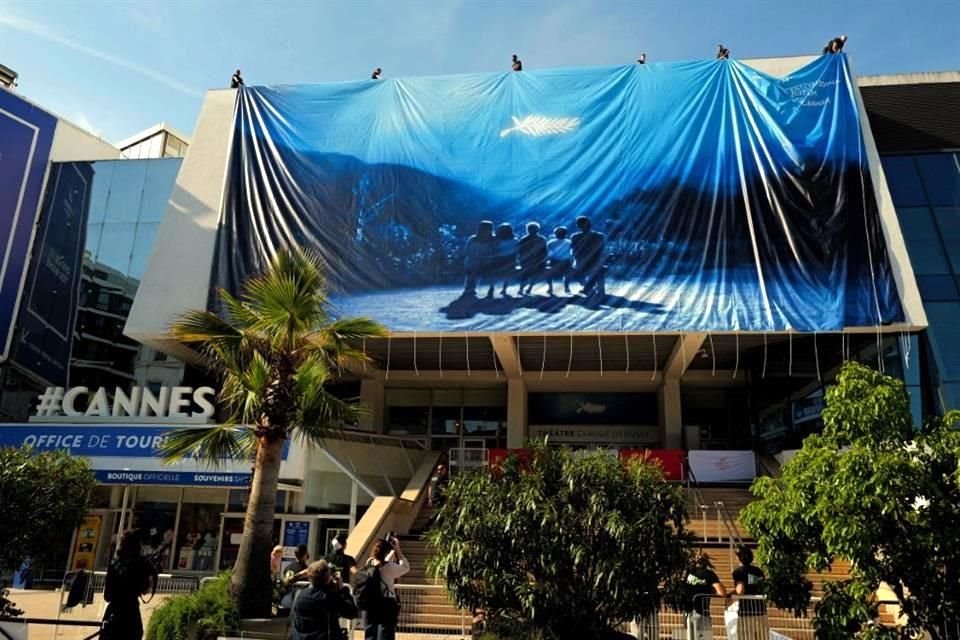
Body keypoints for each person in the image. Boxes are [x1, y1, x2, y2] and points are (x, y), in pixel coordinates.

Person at [101, 530, 154, 640]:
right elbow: (144, 589)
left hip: (113, 612)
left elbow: (107, 596)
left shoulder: (114, 564)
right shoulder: (139, 565)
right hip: (131, 613)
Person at [289, 559, 358, 640]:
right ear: (327, 577)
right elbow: (352, 612)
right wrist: (342, 589)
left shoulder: (301, 595)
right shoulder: (329, 597)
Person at [360, 538, 409, 640]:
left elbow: (381, 561)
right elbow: (405, 567)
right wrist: (397, 549)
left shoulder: (369, 562)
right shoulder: (390, 567)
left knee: (370, 634)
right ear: (386, 552)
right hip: (387, 603)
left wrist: (391, 551)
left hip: (371, 603)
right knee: (385, 633)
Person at [685, 552, 726, 640]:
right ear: (707, 562)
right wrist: (710, 591)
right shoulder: (709, 574)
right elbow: (722, 592)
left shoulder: (689, 574)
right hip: (702, 613)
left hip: (688, 613)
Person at [732, 546, 767, 639]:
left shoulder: (738, 572)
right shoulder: (758, 571)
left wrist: (730, 596)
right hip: (760, 611)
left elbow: (740, 590)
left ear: (739, 557)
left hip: (746, 612)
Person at [570, 216, 607, 297]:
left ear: (578, 226)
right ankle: (594, 288)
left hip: (582, 260)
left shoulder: (575, 236)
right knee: (596, 270)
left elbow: (574, 250)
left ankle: (588, 287)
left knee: (581, 271)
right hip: (596, 259)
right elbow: (602, 249)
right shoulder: (600, 235)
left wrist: (575, 260)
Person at [462, 221, 495, 297]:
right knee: (473, 268)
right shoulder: (473, 239)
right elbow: (468, 252)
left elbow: (467, 250)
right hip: (474, 261)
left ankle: (471, 288)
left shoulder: (492, 239)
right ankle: (470, 288)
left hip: (486, 261)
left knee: (482, 268)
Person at [488, 223, 518, 298]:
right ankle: (504, 289)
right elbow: (516, 251)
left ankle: (491, 288)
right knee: (506, 275)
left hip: (498, 258)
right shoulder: (514, 240)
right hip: (510, 259)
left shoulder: (496, 240)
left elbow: (493, 249)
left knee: (494, 274)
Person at [517, 222, 548, 295]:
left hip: (528, 261)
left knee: (525, 276)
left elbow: (520, 251)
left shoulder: (524, 239)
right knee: (533, 275)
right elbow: (545, 251)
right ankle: (528, 288)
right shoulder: (542, 239)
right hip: (536, 261)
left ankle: (522, 289)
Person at [547, 226, 573, 295]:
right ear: (566, 234)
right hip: (566, 261)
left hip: (554, 261)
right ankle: (566, 287)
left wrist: (548, 261)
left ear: (555, 234)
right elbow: (571, 252)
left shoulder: (551, 242)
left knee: (549, 274)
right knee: (567, 274)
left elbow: (549, 253)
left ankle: (550, 288)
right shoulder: (569, 242)